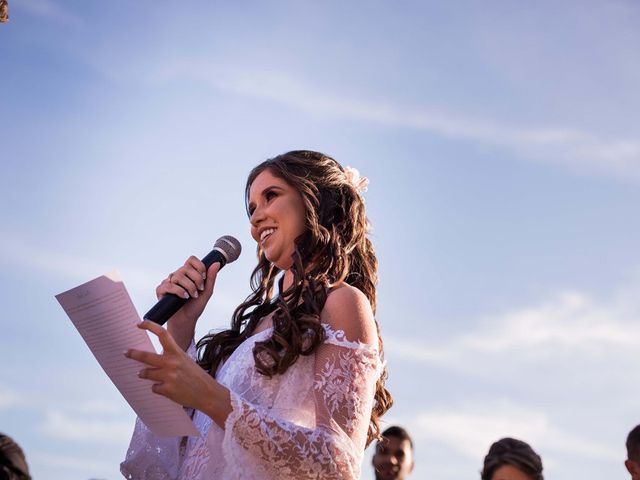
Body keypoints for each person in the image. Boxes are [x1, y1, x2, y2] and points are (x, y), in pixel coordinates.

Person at [121, 150, 392, 479]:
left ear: (317, 201)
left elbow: (338, 463)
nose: (255, 218)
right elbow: (166, 460)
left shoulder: (343, 302)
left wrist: (210, 396)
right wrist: (181, 327)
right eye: (251, 209)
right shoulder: (251, 329)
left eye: (271, 196)